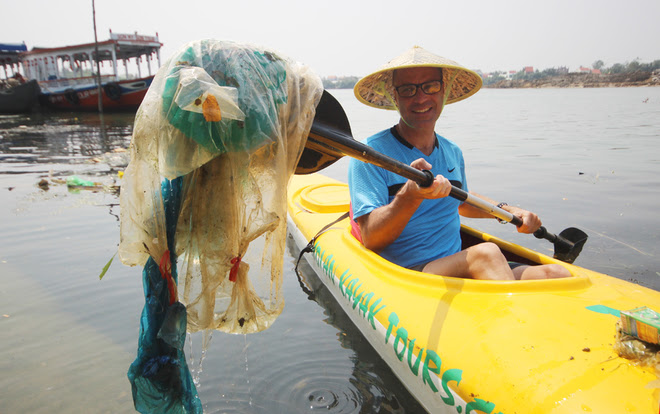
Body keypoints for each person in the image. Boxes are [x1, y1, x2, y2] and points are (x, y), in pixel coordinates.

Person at [348, 46, 570, 281]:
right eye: (407, 90)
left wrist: (509, 211)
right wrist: (410, 196)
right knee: (487, 254)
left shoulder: (452, 151)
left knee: (556, 272)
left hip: (457, 263)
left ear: (443, 91)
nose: (421, 97)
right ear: (394, 97)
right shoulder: (370, 155)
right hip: (409, 273)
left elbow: (461, 201)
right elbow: (371, 237)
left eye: (430, 86)